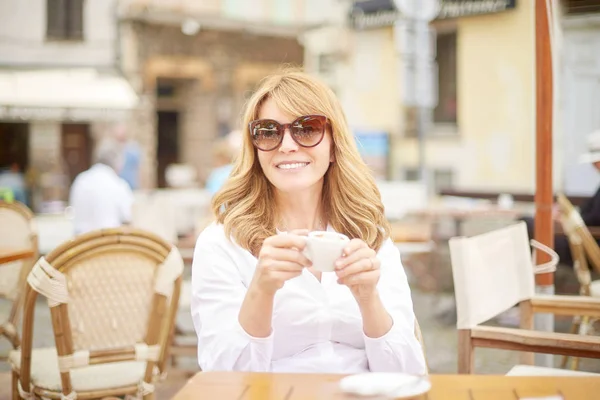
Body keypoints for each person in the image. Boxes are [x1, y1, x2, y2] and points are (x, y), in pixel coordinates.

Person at [190, 70, 427, 374]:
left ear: (333, 147)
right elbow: (224, 377)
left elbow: (408, 372)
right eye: (268, 131)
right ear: (255, 149)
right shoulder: (222, 243)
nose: (287, 144)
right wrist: (261, 290)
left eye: (307, 128)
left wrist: (369, 298)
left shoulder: (369, 235)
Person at [523, 130, 600, 266]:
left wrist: (567, 220)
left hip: (587, 246)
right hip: (582, 240)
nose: (594, 166)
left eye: (596, 161)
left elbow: (590, 218)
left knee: (529, 227)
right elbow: (586, 211)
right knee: (527, 223)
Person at [69, 138, 134, 235]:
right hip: (109, 245)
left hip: (81, 246)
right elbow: (128, 218)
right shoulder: (119, 184)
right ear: (118, 162)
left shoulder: (80, 180)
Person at [114, 124, 141, 190]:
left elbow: (139, 168)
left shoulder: (133, 149)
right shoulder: (113, 149)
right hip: (117, 185)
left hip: (131, 185)